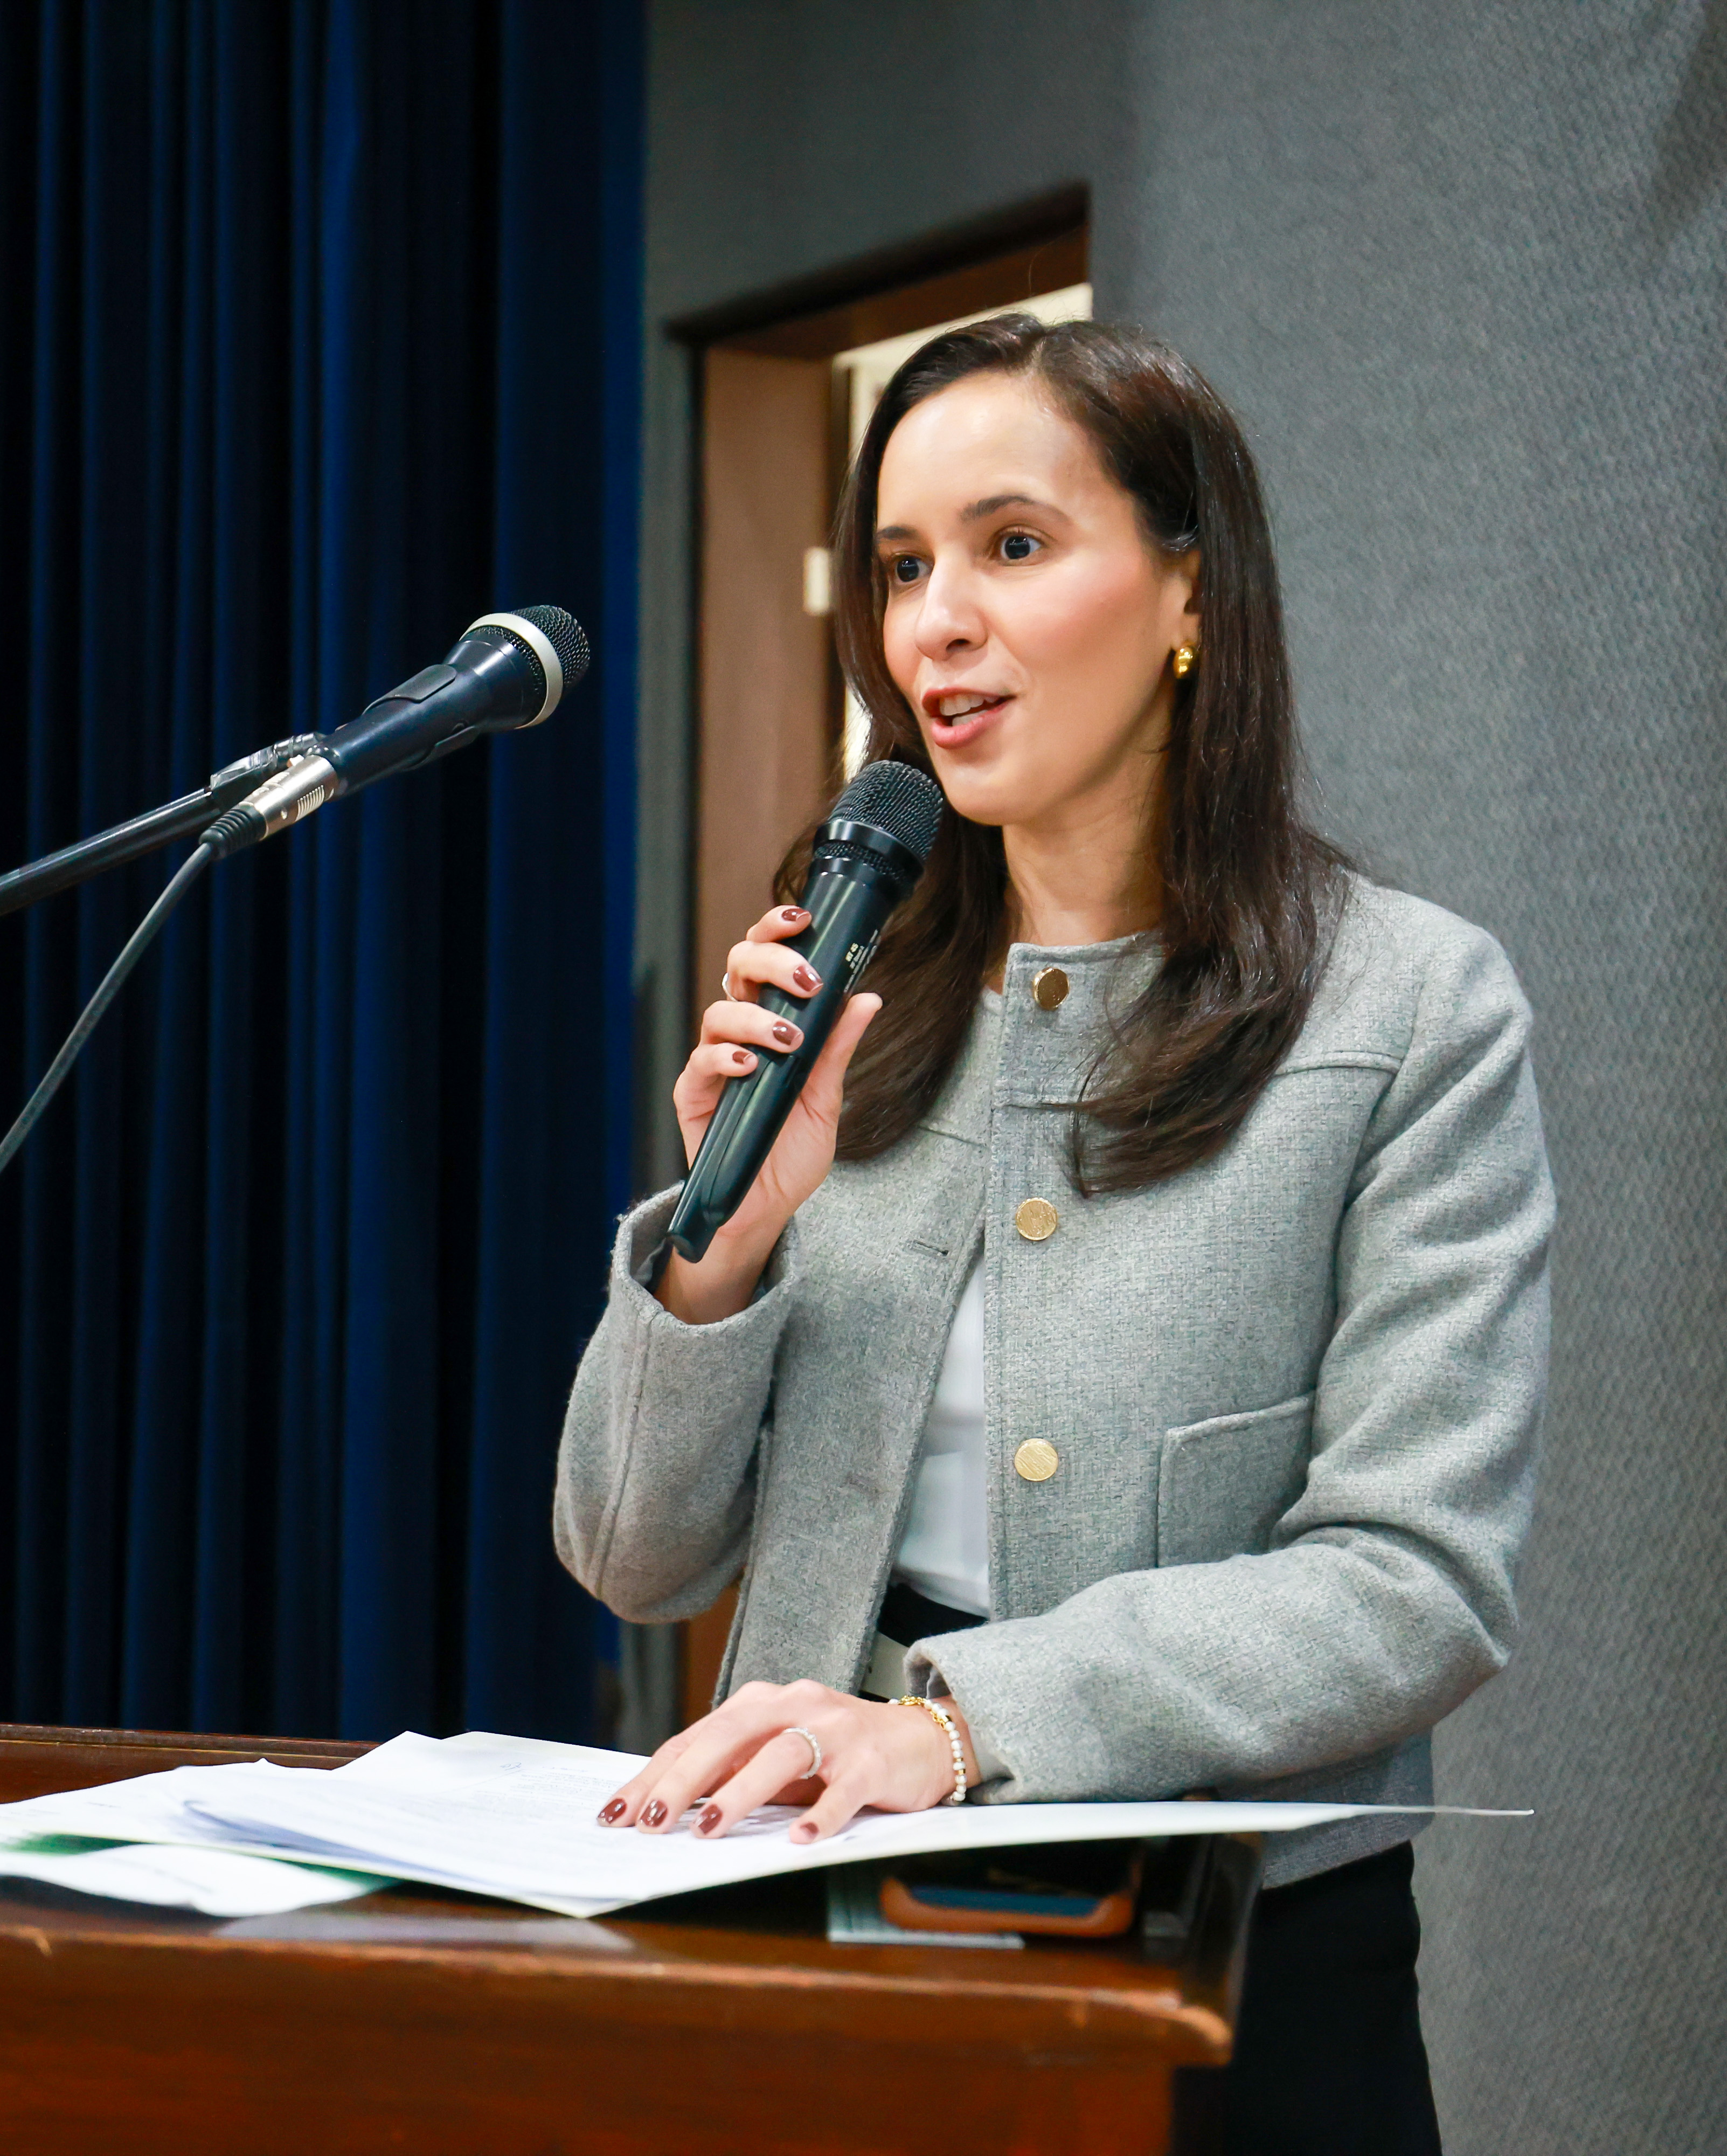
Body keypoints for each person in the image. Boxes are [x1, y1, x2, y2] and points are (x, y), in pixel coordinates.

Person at [553, 314, 1551, 2153]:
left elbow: (1419, 1582)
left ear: (1191, 593)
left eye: (1011, 546)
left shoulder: (1411, 1008)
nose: (935, 623)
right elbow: (633, 1557)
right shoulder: (842, 987)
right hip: (817, 1916)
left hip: (1234, 1968)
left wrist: (952, 1727)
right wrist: (719, 1249)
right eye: (902, 567)